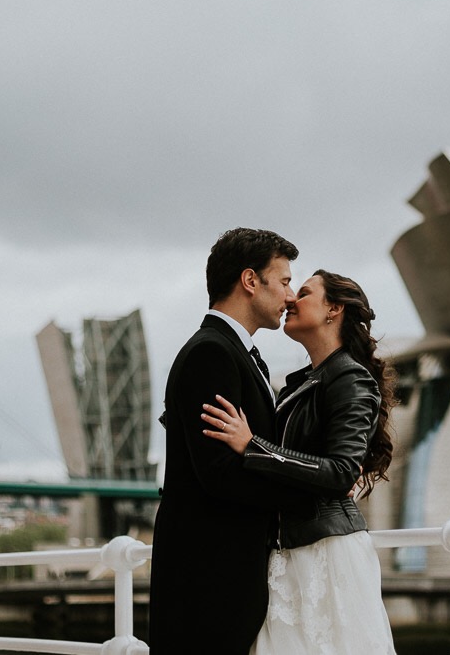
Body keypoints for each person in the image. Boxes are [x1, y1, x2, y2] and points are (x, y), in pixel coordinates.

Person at [201, 269, 398, 655]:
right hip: (291, 551)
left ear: (333, 309)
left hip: (328, 553)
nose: (291, 299)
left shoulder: (349, 378)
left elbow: (341, 471)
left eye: (304, 292)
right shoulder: (305, 381)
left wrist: (251, 445)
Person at [149, 228, 314, 655]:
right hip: (209, 575)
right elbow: (219, 473)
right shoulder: (212, 354)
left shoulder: (232, 352)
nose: (290, 295)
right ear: (249, 281)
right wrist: (304, 493)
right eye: (283, 281)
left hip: (224, 572)